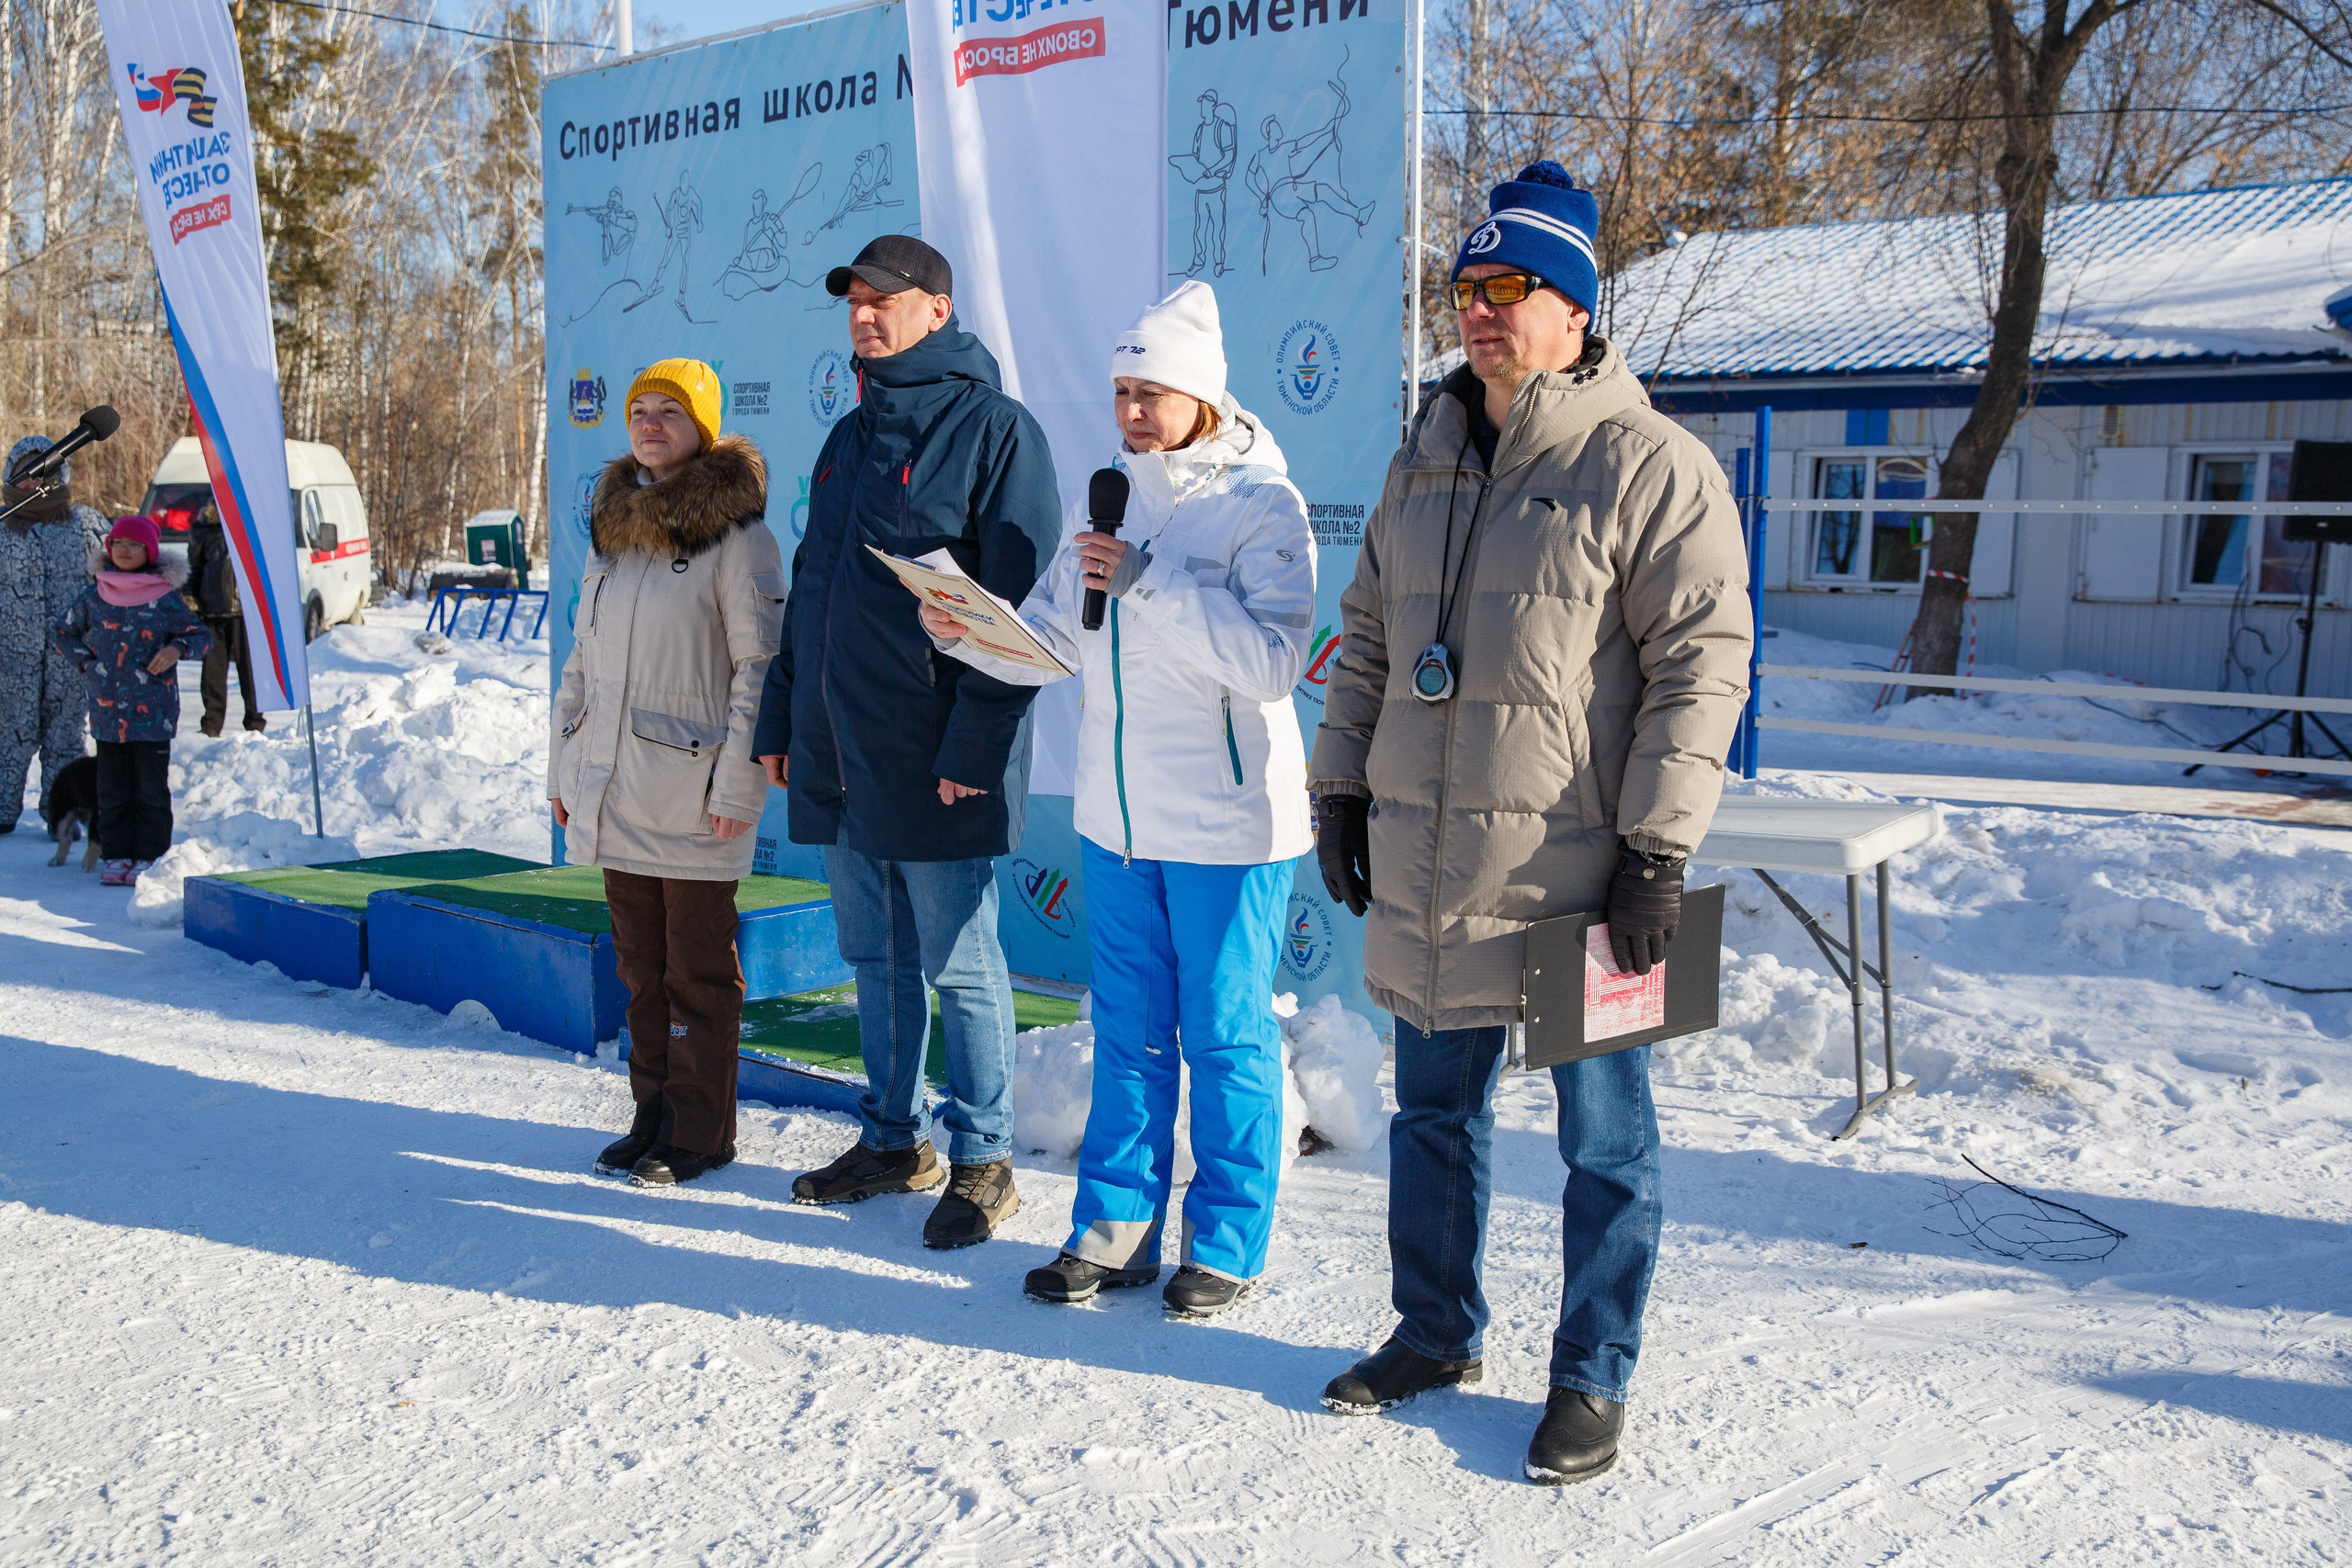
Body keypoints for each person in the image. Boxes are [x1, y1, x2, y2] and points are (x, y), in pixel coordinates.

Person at [1307, 162, 1751, 1483]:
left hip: (1586, 875)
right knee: (1434, 1120)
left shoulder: (1650, 463)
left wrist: (1659, 848)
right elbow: (1370, 638)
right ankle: (1434, 1331)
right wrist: (1341, 786)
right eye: (1467, 286)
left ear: (1577, 309)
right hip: (1435, 860)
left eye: (1513, 286)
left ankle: (1591, 1374)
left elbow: (1701, 666)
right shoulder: (1425, 458)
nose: (1481, 308)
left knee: (1604, 1142)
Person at [920, 282, 1316, 1316]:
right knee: (1130, 1034)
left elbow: (1273, 664)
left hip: (1229, 827)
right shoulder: (1109, 493)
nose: (1132, 412)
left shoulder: (1264, 502)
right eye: (1121, 393)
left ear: (1201, 396)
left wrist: (1152, 582)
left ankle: (1225, 1243)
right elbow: (1057, 636)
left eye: (1152, 394)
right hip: (1118, 822)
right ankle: (1115, 1230)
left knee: (1224, 1037)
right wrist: (971, 630)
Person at [754, 235, 1059, 1249]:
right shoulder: (848, 438)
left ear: (937, 308)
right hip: (841, 751)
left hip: (937, 761)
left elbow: (1015, 614)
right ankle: (893, 1139)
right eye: (852, 300)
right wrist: (782, 720)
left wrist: (973, 751)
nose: (863, 314)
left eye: (883, 298)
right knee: (873, 958)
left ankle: (983, 1160)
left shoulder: (996, 430)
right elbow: (815, 591)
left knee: (959, 967)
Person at [549, 358, 787, 1189]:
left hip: (693, 797)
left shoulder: (741, 539)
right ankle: (651, 1114)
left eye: (670, 412)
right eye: (639, 410)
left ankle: (700, 1129)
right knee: (640, 971)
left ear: (705, 430)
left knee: (697, 972)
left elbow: (760, 670)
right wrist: (565, 771)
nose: (649, 424)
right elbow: (581, 662)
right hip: (614, 788)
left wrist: (738, 789)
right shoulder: (612, 532)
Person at [52, 515, 210, 886]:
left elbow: (201, 636)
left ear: (149, 551)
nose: (124, 550)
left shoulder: (165, 597)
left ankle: (150, 857)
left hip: (153, 714)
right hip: (107, 715)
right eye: (118, 543)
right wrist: (87, 664)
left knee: (150, 791)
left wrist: (176, 648)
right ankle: (117, 854)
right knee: (112, 791)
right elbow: (62, 632)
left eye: (134, 544)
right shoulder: (96, 594)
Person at [0, 435, 107, 834]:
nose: (32, 482)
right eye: (24, 474)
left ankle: (61, 813)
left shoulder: (85, 523)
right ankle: (2, 808)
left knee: (65, 735)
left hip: (70, 657)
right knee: (9, 733)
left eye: (43, 474)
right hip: (11, 659)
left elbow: (119, 575)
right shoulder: (2, 528)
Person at [185, 501, 266, 736]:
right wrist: (191, 600)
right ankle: (211, 725)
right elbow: (193, 569)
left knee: (250, 672)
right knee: (212, 674)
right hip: (212, 611)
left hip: (247, 613)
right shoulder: (204, 530)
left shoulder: (254, 529)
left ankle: (255, 723)